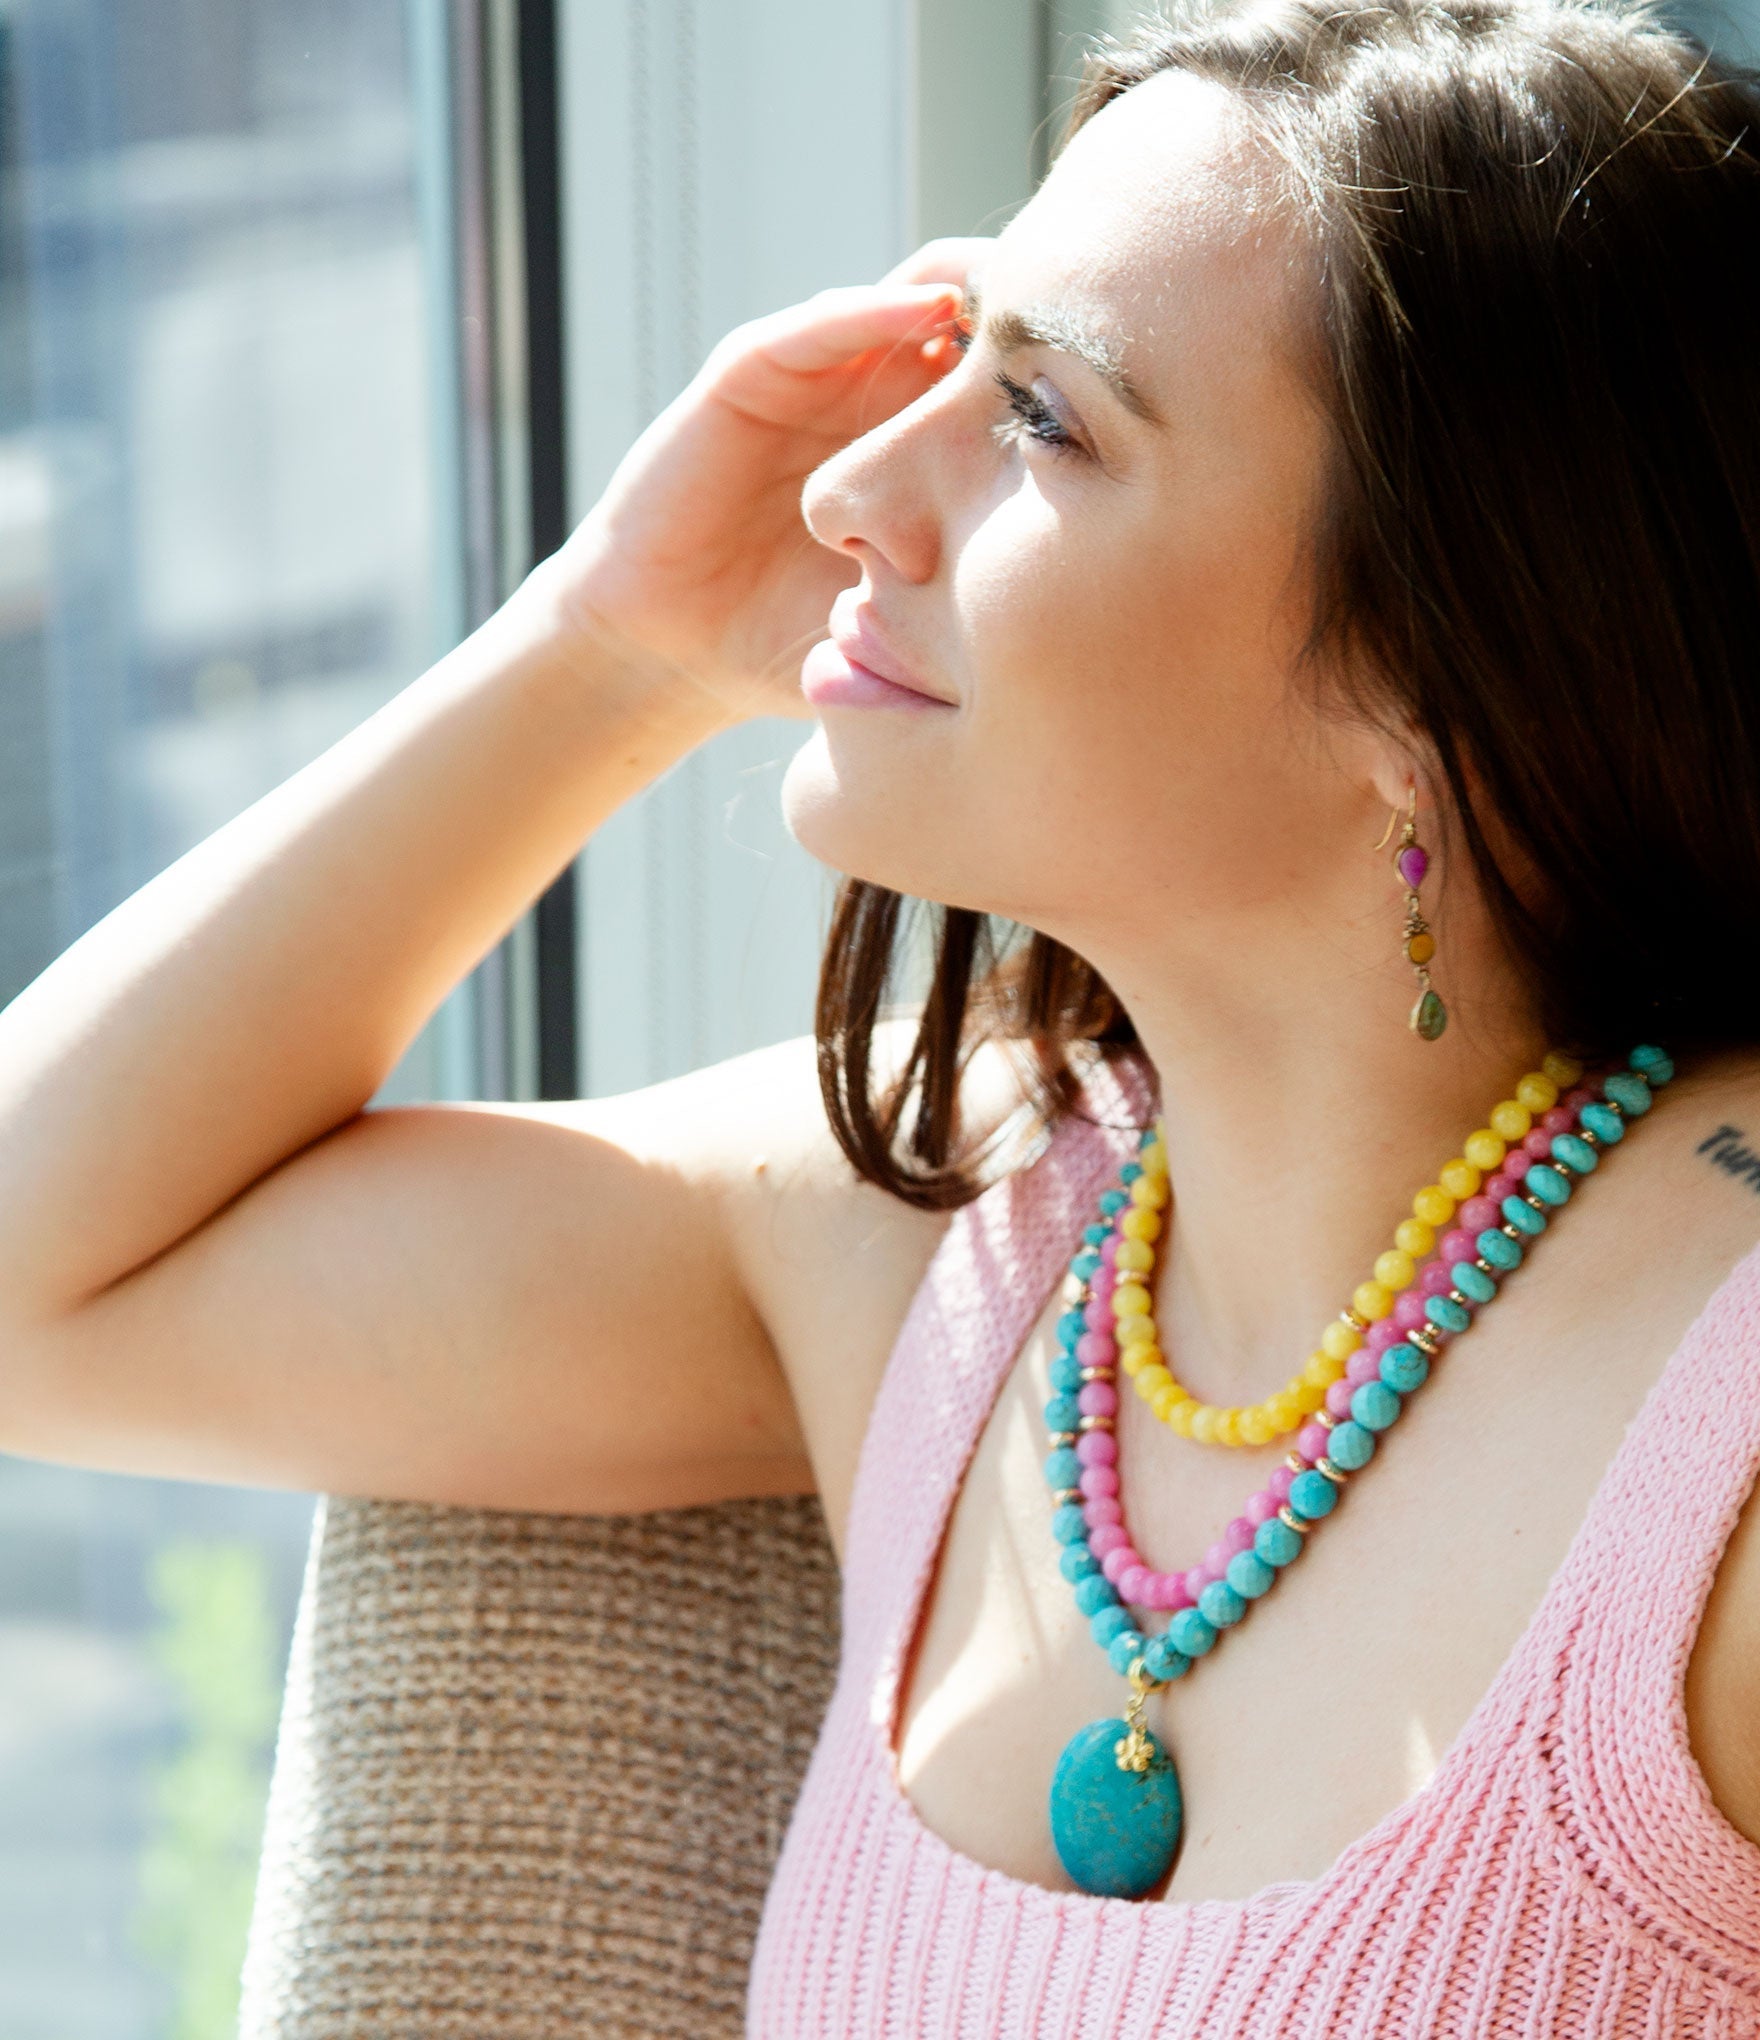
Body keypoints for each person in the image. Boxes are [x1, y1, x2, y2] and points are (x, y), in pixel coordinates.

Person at [5, 0, 1760, 2026]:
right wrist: (612, 642)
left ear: (1422, 679)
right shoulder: (941, 1244)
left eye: (1039, 418)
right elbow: (36, 1271)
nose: (848, 487)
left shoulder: (1713, 1443)